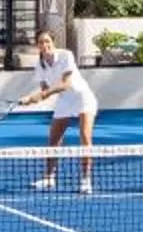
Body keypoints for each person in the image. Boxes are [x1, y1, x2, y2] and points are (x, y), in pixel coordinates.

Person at [21, 28, 99, 192]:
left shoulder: (66, 56)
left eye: (47, 41)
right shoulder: (40, 65)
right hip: (64, 101)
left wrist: (41, 94)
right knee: (54, 140)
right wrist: (31, 99)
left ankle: (86, 180)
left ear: (53, 43)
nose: (44, 45)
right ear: (38, 46)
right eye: (41, 42)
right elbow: (46, 90)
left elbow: (65, 84)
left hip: (82, 98)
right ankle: (49, 178)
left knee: (85, 136)